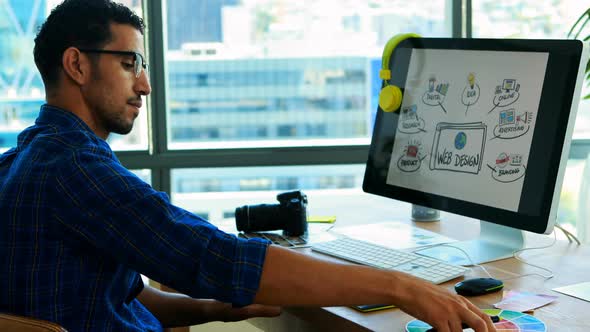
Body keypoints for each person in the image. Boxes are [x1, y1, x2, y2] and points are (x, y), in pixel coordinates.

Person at [0, 1, 496, 331]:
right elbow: (212, 256)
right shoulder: (78, 172)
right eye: (130, 64)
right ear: (77, 65)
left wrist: (209, 308)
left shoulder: (24, 159)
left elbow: (119, 296)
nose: (145, 84)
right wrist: (401, 285)